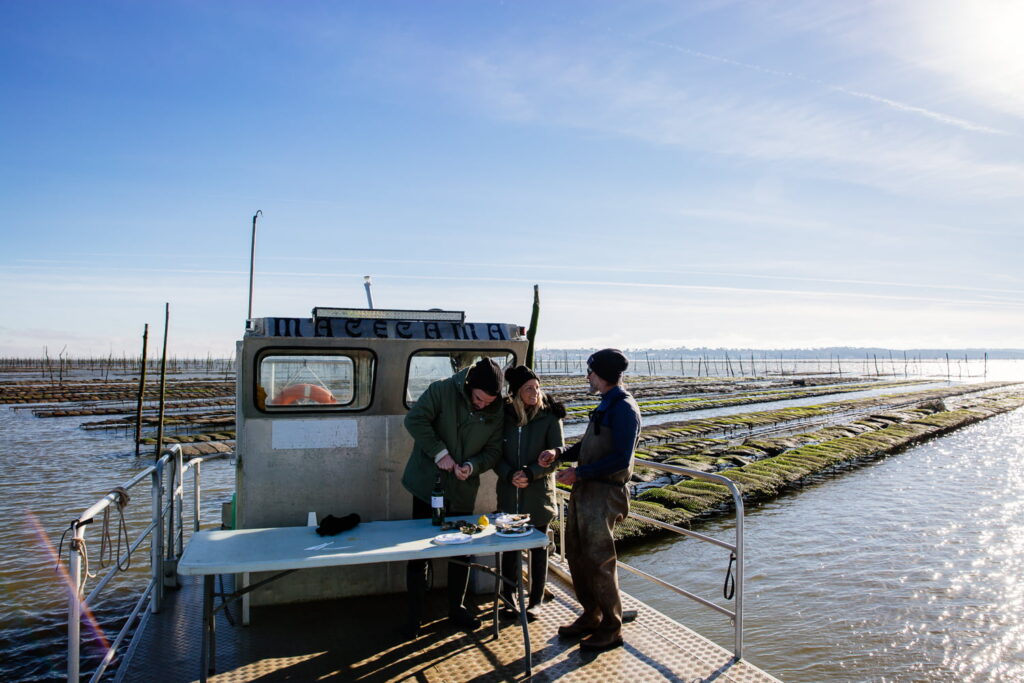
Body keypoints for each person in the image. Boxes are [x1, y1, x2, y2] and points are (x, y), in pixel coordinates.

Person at [537, 348, 641, 651]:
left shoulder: (624, 408)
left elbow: (622, 459)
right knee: (578, 557)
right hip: (587, 492)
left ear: (603, 375)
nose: (587, 377)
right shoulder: (607, 404)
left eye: (591, 372)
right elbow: (589, 443)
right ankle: (591, 614)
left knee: (599, 561)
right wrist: (560, 454)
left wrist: (581, 472)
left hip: (605, 493)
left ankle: (611, 626)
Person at [401, 357, 505, 637]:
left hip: (462, 490)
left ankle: (457, 608)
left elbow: (494, 451)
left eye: (488, 402)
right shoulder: (441, 390)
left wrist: (473, 466)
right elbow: (415, 420)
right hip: (426, 486)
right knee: (418, 549)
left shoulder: (496, 409)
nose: (483, 405)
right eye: (479, 399)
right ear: (469, 386)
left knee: (461, 551)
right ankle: (414, 614)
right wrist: (440, 453)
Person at [494, 365, 565, 621]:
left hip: (538, 496)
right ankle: (509, 597)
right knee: (510, 549)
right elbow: (494, 453)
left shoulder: (550, 416)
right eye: (528, 389)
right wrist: (509, 474)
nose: (535, 392)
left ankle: (535, 601)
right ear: (515, 393)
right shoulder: (503, 416)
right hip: (509, 493)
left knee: (538, 550)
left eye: (536, 387)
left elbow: (558, 454)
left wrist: (532, 472)